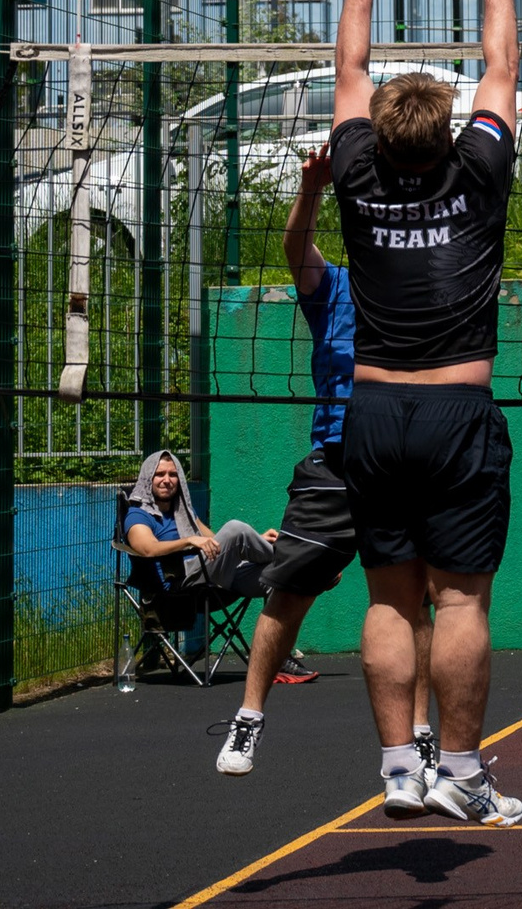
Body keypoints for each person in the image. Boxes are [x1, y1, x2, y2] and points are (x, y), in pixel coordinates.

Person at [329, 0, 522, 826]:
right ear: (449, 132)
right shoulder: (478, 171)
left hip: (371, 414)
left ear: (378, 135)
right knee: (458, 598)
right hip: (456, 414)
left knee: (387, 594)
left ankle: (397, 770)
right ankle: (459, 767)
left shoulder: (354, 175)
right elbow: (501, 68)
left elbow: (348, 73)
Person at [215, 147, 434, 779]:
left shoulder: (417, 284)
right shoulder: (332, 287)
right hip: (335, 463)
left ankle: (420, 735)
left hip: (400, 462)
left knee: (413, 603)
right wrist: (312, 187)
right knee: (287, 592)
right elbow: (296, 250)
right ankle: (249, 718)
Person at [121, 450, 275, 626]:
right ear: (148, 478)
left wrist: (254, 540)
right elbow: (148, 549)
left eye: (173, 474)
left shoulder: (183, 511)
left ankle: (277, 652)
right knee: (235, 527)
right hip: (180, 582)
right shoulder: (138, 515)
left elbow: (218, 542)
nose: (167, 480)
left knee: (278, 576)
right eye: (159, 474)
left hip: (211, 574)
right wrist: (188, 541)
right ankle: (288, 556)